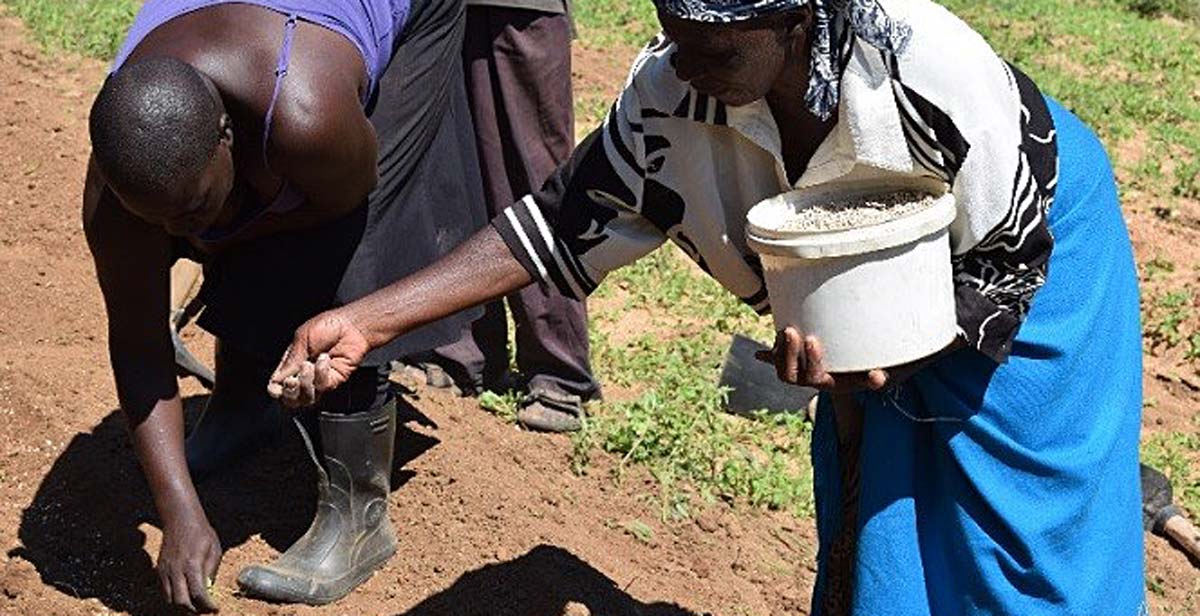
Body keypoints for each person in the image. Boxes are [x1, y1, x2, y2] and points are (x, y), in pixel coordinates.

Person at [270, 0, 1146, 614]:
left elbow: (1007, 253)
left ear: (799, 19)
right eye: (673, 36)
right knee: (883, 505)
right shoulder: (674, 86)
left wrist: (894, 349)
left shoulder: (927, 71)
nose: (684, 66)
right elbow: (558, 221)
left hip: (1026, 249)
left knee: (1022, 518)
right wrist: (371, 320)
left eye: (715, 51)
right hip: (866, 299)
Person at [83, 0, 485, 609]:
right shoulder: (120, 191)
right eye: (154, 219)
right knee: (237, 220)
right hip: (268, 40)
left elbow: (342, 203)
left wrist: (225, 244)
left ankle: (359, 517)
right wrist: (180, 512)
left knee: (351, 245)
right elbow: (137, 339)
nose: (177, 231)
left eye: (188, 209)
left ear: (226, 136)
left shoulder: (307, 117)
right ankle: (242, 408)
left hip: (400, 17)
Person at [406, 0, 601, 432]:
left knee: (534, 173)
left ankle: (558, 369)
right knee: (453, 170)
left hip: (521, 8)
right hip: (442, 12)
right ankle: (461, 349)